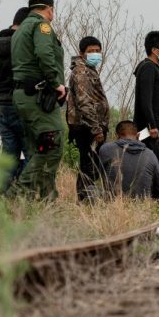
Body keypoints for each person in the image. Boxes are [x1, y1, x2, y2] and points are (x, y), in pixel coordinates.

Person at [11, 0, 66, 200]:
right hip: (37, 95)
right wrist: (56, 84)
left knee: (39, 148)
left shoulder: (21, 29)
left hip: (24, 95)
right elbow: (44, 54)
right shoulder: (41, 26)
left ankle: (45, 201)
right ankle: (15, 197)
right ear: (49, 9)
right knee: (52, 145)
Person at [0, 6, 31, 192]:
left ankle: (3, 196)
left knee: (8, 156)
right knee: (31, 153)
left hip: (2, 105)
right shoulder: (25, 45)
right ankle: (27, 196)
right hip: (23, 105)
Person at [66, 35, 110, 202]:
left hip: (91, 126)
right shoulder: (81, 72)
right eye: (91, 51)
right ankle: (86, 199)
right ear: (82, 53)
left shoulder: (89, 69)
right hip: (86, 127)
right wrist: (96, 128)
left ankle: (85, 198)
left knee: (91, 163)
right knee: (90, 165)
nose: (95, 54)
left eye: (98, 51)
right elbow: (84, 103)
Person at [134, 30, 159, 192]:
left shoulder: (154, 69)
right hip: (149, 128)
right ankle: (152, 197)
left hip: (157, 125)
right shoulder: (148, 68)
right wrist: (152, 126)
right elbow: (145, 101)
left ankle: (155, 197)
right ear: (154, 50)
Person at [99, 120, 159, 199]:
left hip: (113, 204)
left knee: (90, 189)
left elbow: (101, 176)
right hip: (142, 207)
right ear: (138, 135)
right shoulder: (150, 155)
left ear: (116, 135)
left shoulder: (106, 149)